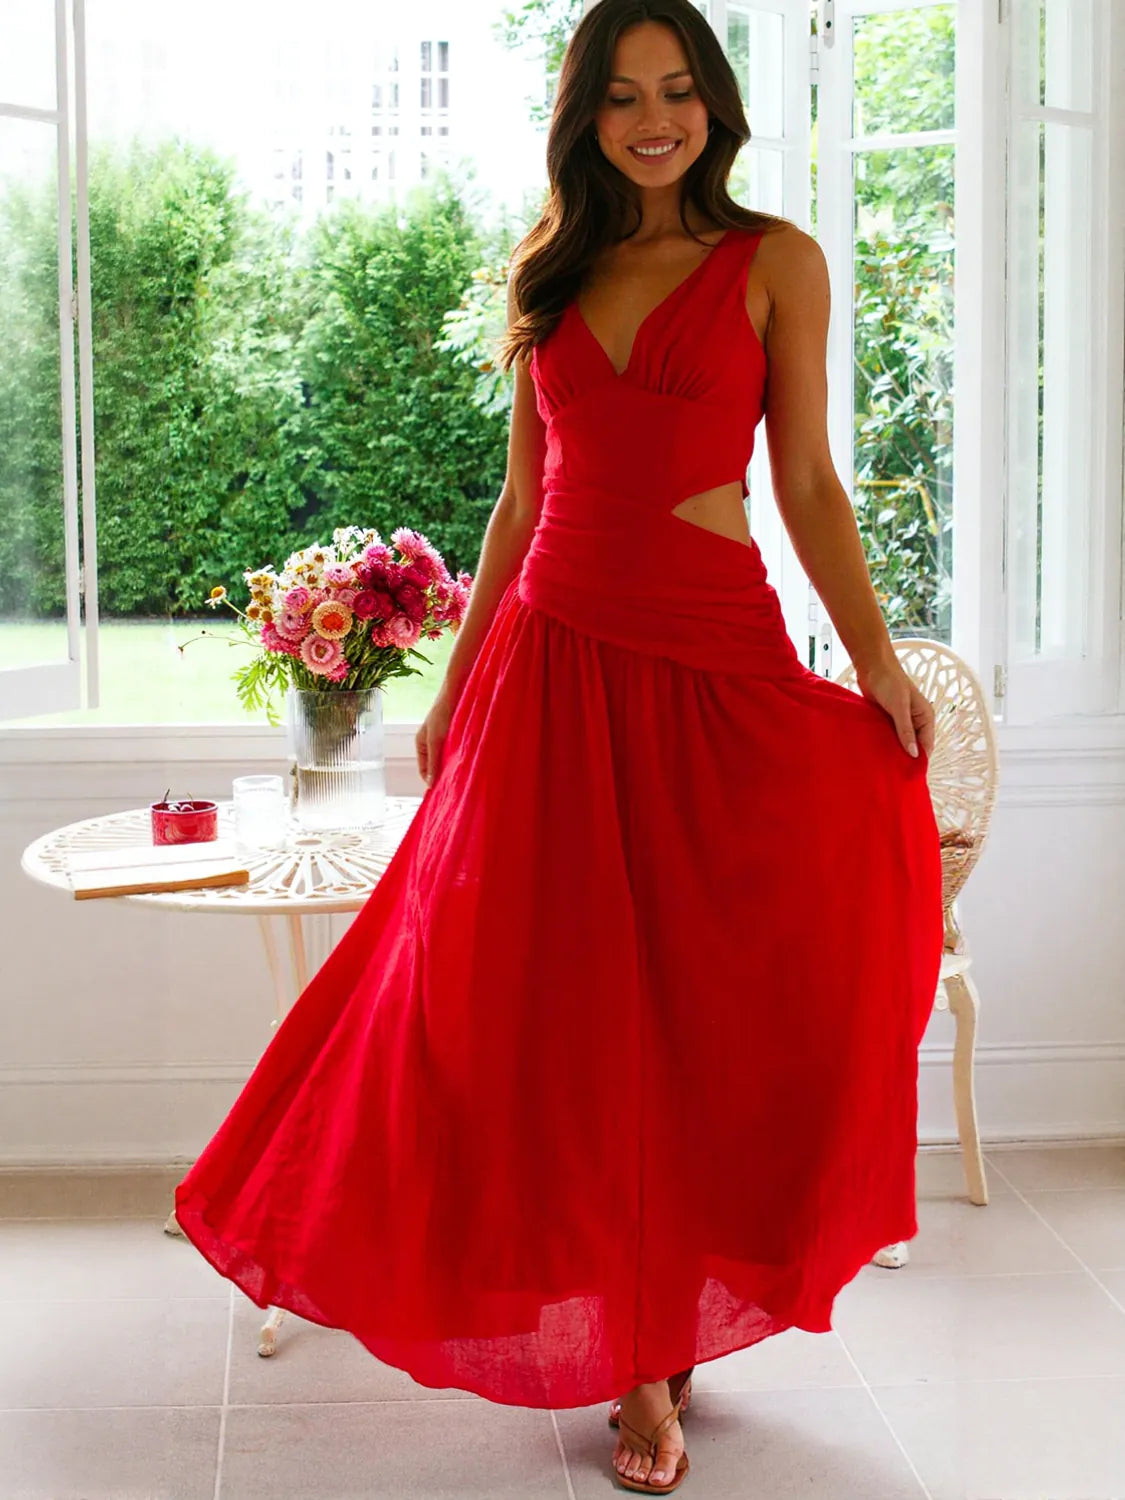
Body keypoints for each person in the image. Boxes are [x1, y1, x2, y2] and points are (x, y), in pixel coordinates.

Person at [174, 0, 944, 1492]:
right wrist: (458, 685)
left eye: (678, 91)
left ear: (715, 107)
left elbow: (805, 480)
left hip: (711, 664)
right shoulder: (548, 270)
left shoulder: (774, 262)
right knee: (559, 1021)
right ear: (584, 115)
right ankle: (636, 1365)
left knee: (706, 1011)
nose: (654, 119)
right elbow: (521, 506)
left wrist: (873, 661)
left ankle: (670, 1312)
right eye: (622, 95)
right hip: (550, 671)